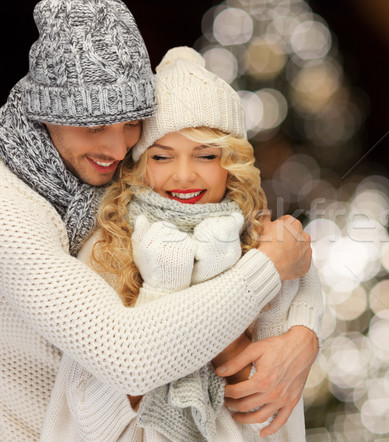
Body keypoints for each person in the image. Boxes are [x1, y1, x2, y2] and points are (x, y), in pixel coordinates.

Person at [0, 1, 317, 440]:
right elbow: (129, 355)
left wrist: (303, 337)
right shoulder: (10, 212)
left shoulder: (120, 184)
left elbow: (294, 256)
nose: (116, 149)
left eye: (132, 123)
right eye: (94, 126)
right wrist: (267, 268)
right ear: (47, 113)